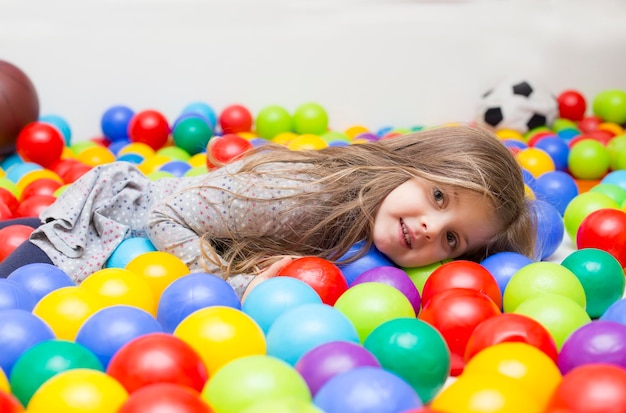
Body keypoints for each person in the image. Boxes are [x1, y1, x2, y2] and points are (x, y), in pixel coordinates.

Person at [0, 125, 535, 299]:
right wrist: (235, 282)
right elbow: (169, 216)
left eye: (452, 240)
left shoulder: (370, 232)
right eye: (439, 198)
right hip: (109, 220)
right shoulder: (301, 199)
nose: (428, 228)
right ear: (410, 165)